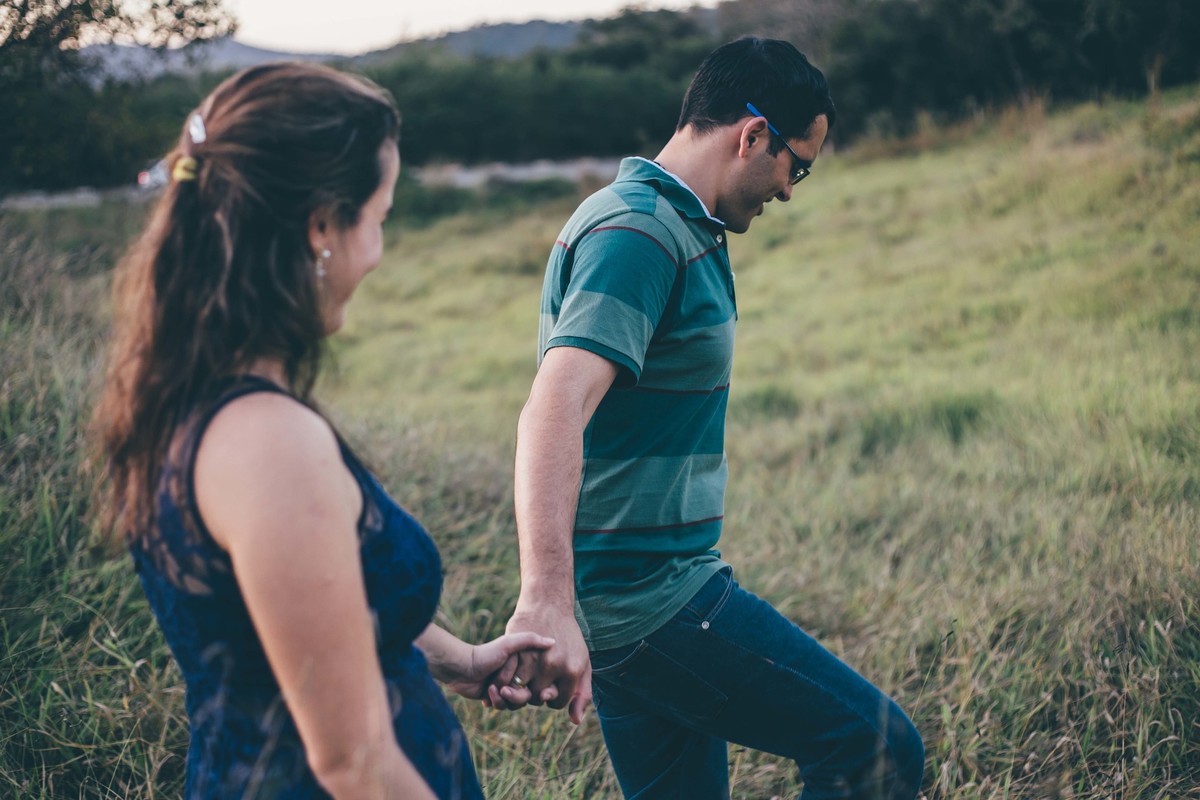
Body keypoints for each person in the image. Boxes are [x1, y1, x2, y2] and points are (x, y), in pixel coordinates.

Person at [92, 62, 549, 800]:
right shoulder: (267, 445)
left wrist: (460, 661)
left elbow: (301, 610)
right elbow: (354, 762)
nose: (378, 249)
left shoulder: (199, 396)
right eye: (380, 218)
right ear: (320, 228)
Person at [495, 38, 925, 798]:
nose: (792, 190)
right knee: (878, 746)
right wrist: (545, 601)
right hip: (653, 602)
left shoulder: (674, 222)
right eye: (799, 164)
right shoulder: (639, 234)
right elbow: (554, 405)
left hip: (633, 603)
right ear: (752, 135)